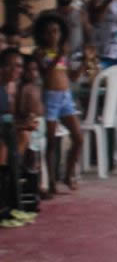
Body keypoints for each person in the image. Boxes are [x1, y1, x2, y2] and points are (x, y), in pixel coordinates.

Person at [32, 13, 83, 192]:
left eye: (56, 31)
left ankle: (68, 174)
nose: (53, 35)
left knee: (78, 138)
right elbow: (45, 73)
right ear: (42, 34)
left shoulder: (63, 54)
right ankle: (51, 181)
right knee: (51, 141)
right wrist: (58, 56)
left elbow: (72, 77)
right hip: (50, 97)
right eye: (48, 32)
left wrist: (84, 63)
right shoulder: (40, 53)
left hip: (65, 97)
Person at [51, 0, 93, 66]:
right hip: (54, 60)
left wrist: (87, 55)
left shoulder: (81, 14)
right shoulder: (49, 15)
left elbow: (89, 37)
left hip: (76, 60)